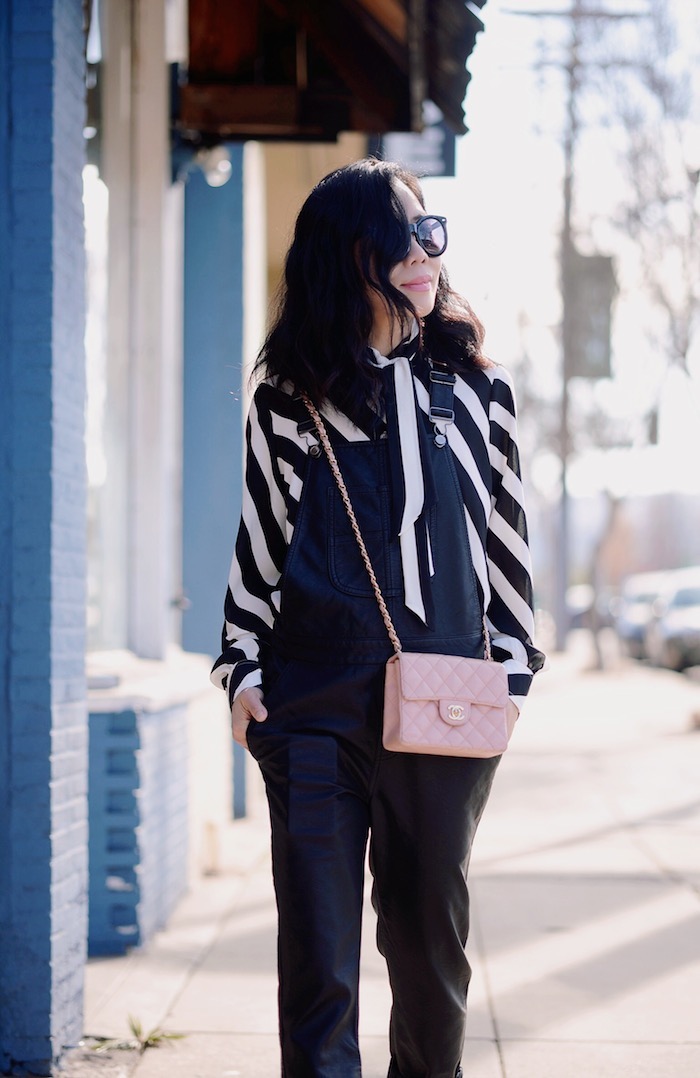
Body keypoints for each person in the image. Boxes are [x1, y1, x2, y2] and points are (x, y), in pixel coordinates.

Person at [211, 158, 545, 1078]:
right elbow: (260, 549)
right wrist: (242, 672)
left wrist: (510, 681)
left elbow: (509, 555)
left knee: (430, 959)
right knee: (319, 963)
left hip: (447, 703)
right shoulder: (287, 399)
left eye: (429, 231)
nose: (424, 252)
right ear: (344, 255)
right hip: (312, 699)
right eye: (400, 234)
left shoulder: (482, 393)